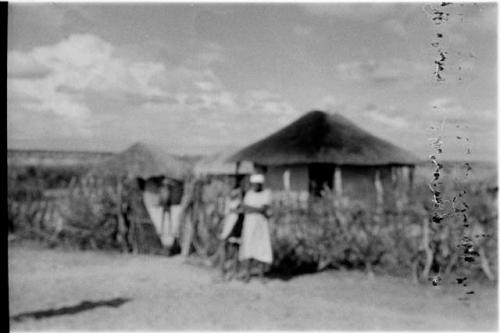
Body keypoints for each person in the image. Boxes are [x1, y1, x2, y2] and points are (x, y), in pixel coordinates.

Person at [239, 174, 273, 282]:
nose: (255, 186)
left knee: (261, 248)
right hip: (249, 224)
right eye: (253, 184)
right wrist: (258, 209)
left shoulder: (266, 194)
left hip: (261, 225)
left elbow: (264, 208)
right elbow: (244, 208)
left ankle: (261, 275)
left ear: (261, 184)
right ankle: (247, 274)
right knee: (248, 248)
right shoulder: (249, 194)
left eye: (257, 184)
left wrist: (251, 208)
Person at [217, 187, 244, 280]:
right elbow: (222, 214)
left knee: (235, 248)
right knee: (223, 247)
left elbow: (241, 212)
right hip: (226, 226)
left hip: (235, 227)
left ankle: (234, 271)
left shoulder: (239, 202)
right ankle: (222, 271)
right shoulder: (226, 200)